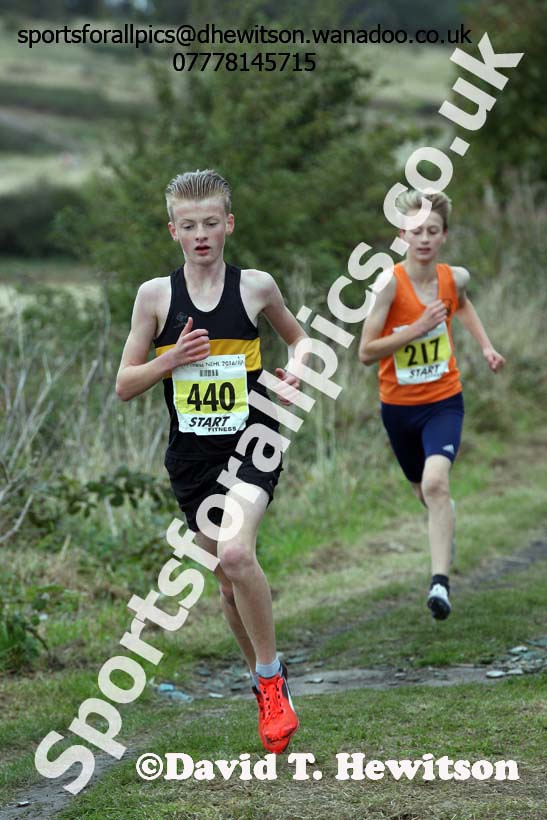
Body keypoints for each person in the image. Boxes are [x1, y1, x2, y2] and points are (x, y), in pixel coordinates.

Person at [116, 169, 306, 753]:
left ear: (229, 224)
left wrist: (294, 376)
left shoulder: (256, 287)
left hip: (253, 439)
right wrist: (170, 360)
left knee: (235, 553)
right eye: (189, 225)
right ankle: (264, 682)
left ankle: (271, 682)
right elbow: (124, 383)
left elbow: (300, 342)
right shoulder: (155, 297)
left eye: (211, 223)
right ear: (174, 231)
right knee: (228, 587)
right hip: (193, 461)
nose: (201, 235)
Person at [359, 190, 505, 620]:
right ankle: (446, 522)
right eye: (416, 231)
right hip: (398, 408)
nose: (424, 238)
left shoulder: (452, 278)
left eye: (433, 231)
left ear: (444, 235)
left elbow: (463, 305)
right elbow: (366, 352)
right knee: (425, 491)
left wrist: (486, 347)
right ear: (401, 234)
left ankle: (439, 583)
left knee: (437, 482)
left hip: (444, 400)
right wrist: (416, 328)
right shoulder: (388, 285)